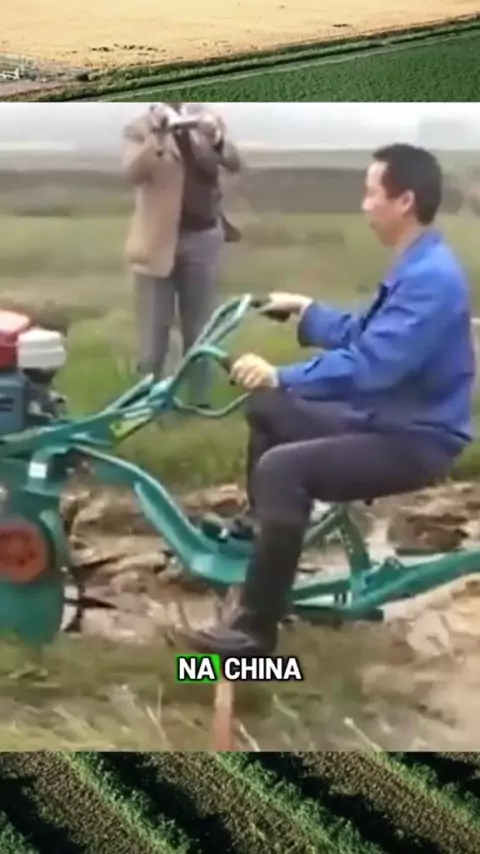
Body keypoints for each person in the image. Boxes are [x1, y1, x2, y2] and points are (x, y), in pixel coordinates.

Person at [187, 142, 476, 657]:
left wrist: (280, 374)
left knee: (282, 469)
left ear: (404, 201)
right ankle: (265, 537)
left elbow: (373, 365)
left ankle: (256, 629)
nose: (365, 205)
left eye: (371, 193)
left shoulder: (430, 278)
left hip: (414, 439)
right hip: (386, 420)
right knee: (268, 409)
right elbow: (364, 333)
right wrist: (307, 311)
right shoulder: (418, 264)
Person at [122, 102, 242, 404]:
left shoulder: (205, 120)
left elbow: (234, 162)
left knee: (201, 329)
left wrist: (215, 137)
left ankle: (197, 402)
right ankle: (146, 403)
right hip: (156, 243)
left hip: (203, 238)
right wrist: (158, 136)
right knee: (154, 333)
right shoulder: (140, 129)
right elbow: (132, 172)